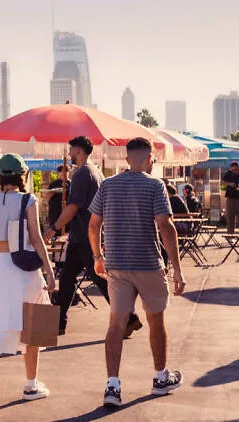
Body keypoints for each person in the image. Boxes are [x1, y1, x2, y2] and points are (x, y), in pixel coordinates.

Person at [89, 137, 185, 408]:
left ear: (128, 159)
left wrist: (98, 256)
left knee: (116, 325)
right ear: (150, 160)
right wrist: (177, 269)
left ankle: (112, 386)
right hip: (148, 264)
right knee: (156, 321)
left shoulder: (107, 185)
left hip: (117, 265)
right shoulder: (156, 185)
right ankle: (160, 378)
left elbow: (94, 224)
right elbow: (166, 227)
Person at [0, 154, 57, 405]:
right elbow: (36, 237)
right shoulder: (28, 200)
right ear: (22, 176)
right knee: (35, 325)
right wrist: (50, 270)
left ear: (1, 176)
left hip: (3, 265)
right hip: (27, 266)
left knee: (1, 321)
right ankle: (31, 384)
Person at [43, 136, 141, 336]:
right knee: (69, 279)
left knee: (100, 280)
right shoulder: (96, 172)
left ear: (78, 151)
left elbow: (73, 206)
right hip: (86, 235)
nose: (69, 154)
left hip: (85, 236)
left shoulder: (82, 174)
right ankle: (59, 323)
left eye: (71, 150)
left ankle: (128, 318)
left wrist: (54, 227)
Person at [221, 162, 239, 242]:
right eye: (233, 170)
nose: (235, 171)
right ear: (231, 169)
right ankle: (231, 236)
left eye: (236, 169)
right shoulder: (229, 174)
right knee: (230, 217)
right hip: (230, 198)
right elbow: (222, 182)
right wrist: (229, 184)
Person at [44, 165, 70, 236]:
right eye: (61, 172)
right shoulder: (54, 184)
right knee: (55, 230)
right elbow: (47, 196)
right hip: (55, 212)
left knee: (67, 230)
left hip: (67, 212)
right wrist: (54, 192)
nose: (63, 174)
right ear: (58, 173)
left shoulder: (71, 184)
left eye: (66, 172)